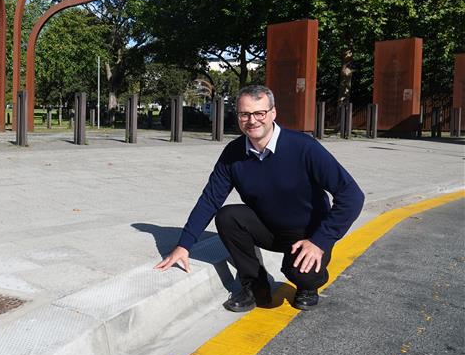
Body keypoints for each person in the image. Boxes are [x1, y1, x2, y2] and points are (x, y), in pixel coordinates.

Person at [155, 85, 364, 311]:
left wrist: (320, 241)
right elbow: (210, 199)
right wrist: (184, 245)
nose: (252, 120)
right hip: (268, 227)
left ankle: (308, 286)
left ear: (273, 113)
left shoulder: (304, 147)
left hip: (307, 234)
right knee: (228, 216)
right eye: (245, 114)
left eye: (259, 113)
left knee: (299, 274)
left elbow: (352, 195)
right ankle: (255, 286)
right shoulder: (233, 153)